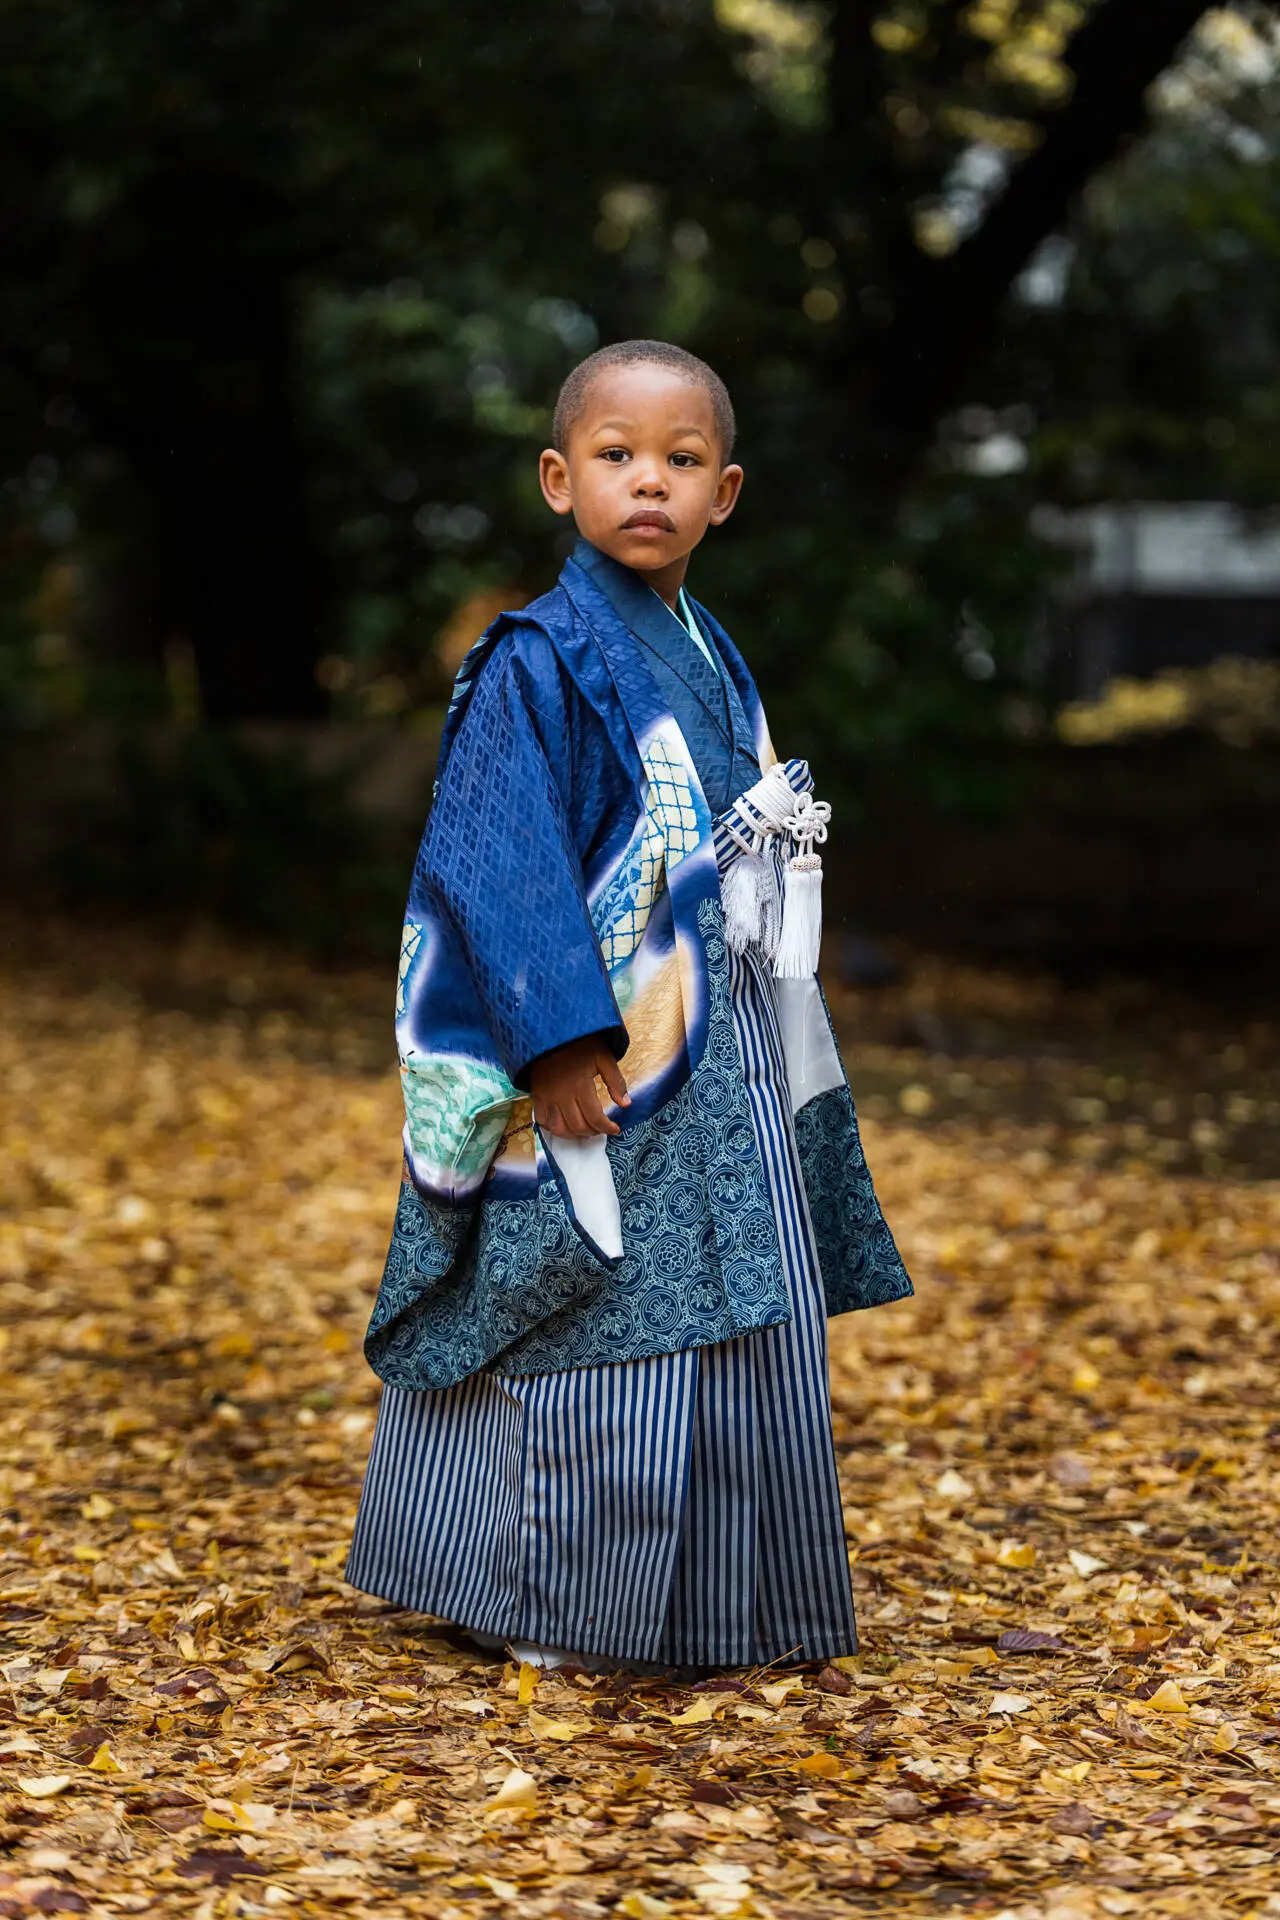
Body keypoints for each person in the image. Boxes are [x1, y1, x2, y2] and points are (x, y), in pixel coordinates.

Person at [345, 339, 911, 1674]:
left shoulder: (709, 652)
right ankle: (554, 1603)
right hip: (611, 1055)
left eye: (680, 460)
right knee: (593, 1304)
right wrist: (553, 1043)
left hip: (728, 1051)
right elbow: (494, 854)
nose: (645, 483)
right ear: (559, 478)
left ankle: (716, 1605)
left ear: (725, 493)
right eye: (615, 456)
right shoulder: (537, 658)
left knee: (727, 1310)